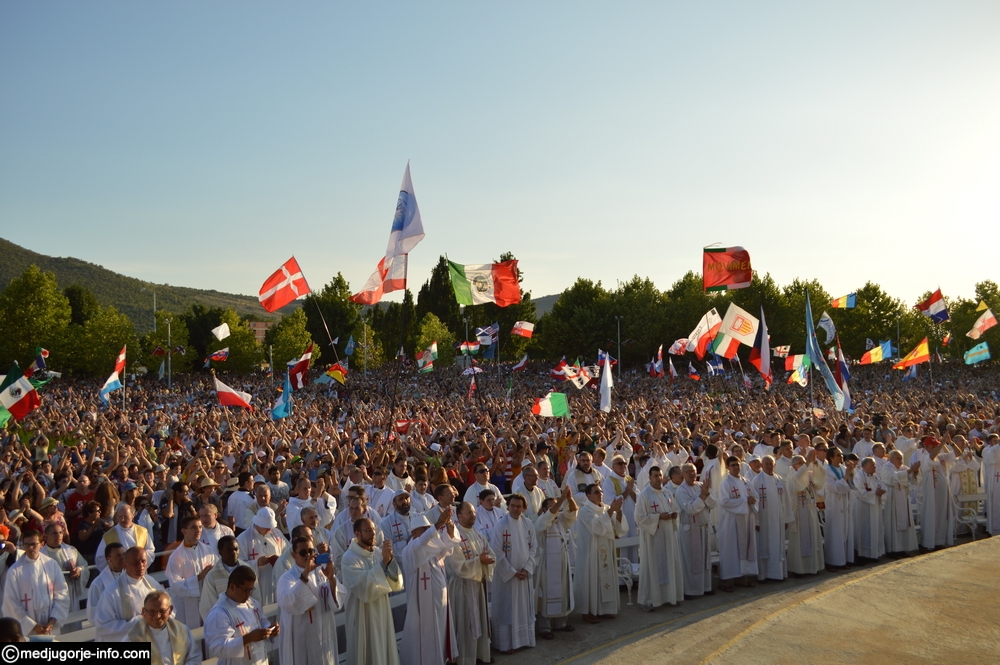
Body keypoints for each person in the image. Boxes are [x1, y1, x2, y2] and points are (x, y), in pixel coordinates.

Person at [398, 511, 460, 665]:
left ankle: (442, 659)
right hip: (423, 605)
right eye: (424, 529)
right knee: (426, 633)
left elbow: (447, 545)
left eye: (428, 528)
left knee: (441, 629)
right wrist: (437, 525)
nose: (429, 532)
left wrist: (449, 526)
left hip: (440, 600)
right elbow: (421, 543)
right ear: (414, 532)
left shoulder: (432, 549)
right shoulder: (410, 550)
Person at [340, 517, 403, 665]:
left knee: (383, 648)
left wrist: (390, 561)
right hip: (362, 614)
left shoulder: (378, 552)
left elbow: (396, 583)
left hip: (381, 610)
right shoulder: (349, 558)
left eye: (374, 529)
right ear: (357, 533)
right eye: (368, 530)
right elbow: (362, 586)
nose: (373, 533)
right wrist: (384, 563)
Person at [276, 535, 340, 665]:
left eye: (311, 551)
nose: (308, 555)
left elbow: (336, 601)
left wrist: (331, 578)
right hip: (301, 636)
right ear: (294, 555)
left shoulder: (322, 572)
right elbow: (288, 603)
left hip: (324, 631)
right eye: (303, 552)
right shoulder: (287, 577)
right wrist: (305, 574)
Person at [447, 501, 495, 665]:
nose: (472, 515)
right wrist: (479, 561)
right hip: (463, 587)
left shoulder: (479, 535)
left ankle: (480, 655)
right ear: (459, 516)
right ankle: (465, 659)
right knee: (465, 624)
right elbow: (456, 566)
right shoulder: (454, 537)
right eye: (468, 513)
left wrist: (488, 560)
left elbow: (491, 553)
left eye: (473, 512)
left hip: (478, 587)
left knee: (479, 621)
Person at [489, 493, 536, 654]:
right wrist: (512, 572)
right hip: (507, 578)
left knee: (523, 609)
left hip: (524, 575)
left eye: (519, 506)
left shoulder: (528, 523)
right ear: (508, 506)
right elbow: (496, 551)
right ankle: (506, 644)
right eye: (512, 506)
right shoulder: (501, 525)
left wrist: (526, 569)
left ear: (524, 508)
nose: (515, 509)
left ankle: (524, 639)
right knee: (506, 609)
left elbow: (534, 548)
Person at [204, 565, 279, 665]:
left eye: (251, 590)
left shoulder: (252, 603)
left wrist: (270, 629)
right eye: (246, 590)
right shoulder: (219, 613)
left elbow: (262, 621)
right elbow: (219, 648)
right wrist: (249, 638)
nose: (249, 594)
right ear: (232, 587)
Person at [1, 529, 69, 637]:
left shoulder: (51, 564)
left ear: (41, 544)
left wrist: (53, 620)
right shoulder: (15, 570)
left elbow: (62, 592)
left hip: (50, 621)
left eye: (34, 544)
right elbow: (11, 601)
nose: (30, 548)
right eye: (26, 545)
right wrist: (32, 625)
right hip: (28, 627)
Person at [575, 484, 626, 623]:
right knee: (591, 579)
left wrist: (618, 512)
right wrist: (611, 511)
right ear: (588, 495)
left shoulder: (606, 508)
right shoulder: (585, 511)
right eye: (597, 492)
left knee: (605, 577)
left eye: (601, 491)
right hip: (591, 552)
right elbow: (595, 526)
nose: (600, 494)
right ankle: (588, 611)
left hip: (605, 550)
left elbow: (618, 527)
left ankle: (605, 609)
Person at [634, 465, 683, 610]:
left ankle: (669, 596)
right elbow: (639, 517)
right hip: (653, 538)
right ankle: (649, 600)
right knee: (653, 566)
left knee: (669, 564)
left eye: (660, 475)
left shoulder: (667, 493)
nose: (658, 478)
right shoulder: (644, 495)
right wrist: (659, 517)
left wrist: (674, 515)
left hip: (668, 536)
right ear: (649, 477)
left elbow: (675, 508)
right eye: (655, 476)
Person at [93, 546, 165, 641]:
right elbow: (103, 627)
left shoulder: (152, 583)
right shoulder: (112, 592)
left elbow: (170, 608)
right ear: (125, 565)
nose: (140, 566)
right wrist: (139, 621)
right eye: (135, 563)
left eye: (143, 561)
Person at [533, 486, 576, 638]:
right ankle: (545, 627)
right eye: (552, 506)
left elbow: (573, 512)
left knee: (563, 591)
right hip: (548, 564)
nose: (556, 509)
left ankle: (561, 623)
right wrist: (561, 499)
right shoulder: (541, 521)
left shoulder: (561, 521)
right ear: (544, 509)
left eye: (557, 506)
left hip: (562, 561)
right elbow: (549, 516)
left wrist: (569, 499)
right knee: (546, 595)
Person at [166, 515, 217, 629]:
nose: (198, 530)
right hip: (188, 605)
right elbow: (175, 585)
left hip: (207, 599)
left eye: (200, 527)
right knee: (192, 635)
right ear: (184, 531)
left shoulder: (208, 550)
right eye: (193, 527)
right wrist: (198, 578)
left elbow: (217, 572)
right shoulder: (176, 556)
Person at [125, 590, 201, 665]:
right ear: (144, 611)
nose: (157, 616)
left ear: (170, 610)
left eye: (162, 611)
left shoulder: (182, 630)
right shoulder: (133, 637)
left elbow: (193, 658)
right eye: (152, 611)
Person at [717, 456, 759, 591]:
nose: (736, 467)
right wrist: (745, 501)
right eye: (733, 465)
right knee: (731, 551)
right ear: (727, 467)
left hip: (746, 520)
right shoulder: (726, 484)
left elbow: (755, 497)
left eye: (738, 464)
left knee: (745, 548)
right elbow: (724, 502)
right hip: (731, 522)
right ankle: (727, 581)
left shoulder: (747, 482)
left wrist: (752, 500)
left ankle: (742, 578)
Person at [674, 463, 715, 597]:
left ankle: (705, 587)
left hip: (703, 528)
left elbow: (713, 504)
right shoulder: (681, 490)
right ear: (683, 474)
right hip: (690, 531)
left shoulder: (701, 486)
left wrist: (706, 494)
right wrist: (702, 496)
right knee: (691, 561)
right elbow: (690, 509)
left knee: (704, 559)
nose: (692, 474)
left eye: (694, 471)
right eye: (688, 471)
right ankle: (691, 590)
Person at [750, 456, 792, 582]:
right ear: (762, 465)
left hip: (778, 519)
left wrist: (785, 519)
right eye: (766, 464)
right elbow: (754, 503)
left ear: (774, 465)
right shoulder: (757, 480)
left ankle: (778, 573)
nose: (768, 466)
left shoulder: (779, 480)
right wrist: (756, 521)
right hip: (764, 520)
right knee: (764, 546)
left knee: (777, 545)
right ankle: (764, 574)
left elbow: (785, 500)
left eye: (771, 464)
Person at [200, 536, 262, 621]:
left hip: (247, 619)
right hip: (225, 620)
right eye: (229, 550)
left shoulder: (248, 570)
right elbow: (209, 605)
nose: (234, 553)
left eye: (236, 549)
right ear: (220, 551)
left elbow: (256, 598)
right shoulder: (212, 576)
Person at [235, 507, 287, 605]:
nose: (269, 529)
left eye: (270, 526)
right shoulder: (244, 538)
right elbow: (238, 563)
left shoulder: (276, 533)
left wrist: (279, 559)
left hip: (276, 578)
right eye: (266, 526)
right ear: (258, 524)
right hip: (258, 581)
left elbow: (287, 551)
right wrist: (256, 563)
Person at [785, 453, 826, 575]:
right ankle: (799, 569)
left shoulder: (808, 475)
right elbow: (798, 481)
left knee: (813, 538)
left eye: (804, 462)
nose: (804, 465)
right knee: (800, 542)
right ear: (794, 465)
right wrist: (807, 462)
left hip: (810, 510)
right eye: (801, 463)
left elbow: (820, 479)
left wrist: (815, 463)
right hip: (799, 512)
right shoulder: (792, 476)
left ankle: (813, 567)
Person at [915, 437, 955, 551]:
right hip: (931, 492)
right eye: (935, 446)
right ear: (927, 447)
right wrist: (942, 443)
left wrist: (950, 442)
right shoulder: (924, 457)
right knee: (931, 515)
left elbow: (957, 454)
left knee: (941, 515)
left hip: (942, 491)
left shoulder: (941, 457)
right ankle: (927, 543)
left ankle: (939, 541)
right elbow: (931, 456)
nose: (938, 447)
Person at [41, 523, 89, 613]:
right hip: (52, 594)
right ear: (46, 537)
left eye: (60, 532)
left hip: (70, 591)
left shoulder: (71, 550)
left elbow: (84, 565)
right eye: (54, 533)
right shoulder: (41, 555)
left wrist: (78, 571)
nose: (58, 536)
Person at [879, 450, 918, 555]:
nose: (901, 461)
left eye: (901, 458)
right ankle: (893, 549)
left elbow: (911, 479)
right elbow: (894, 478)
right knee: (893, 523)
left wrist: (915, 471)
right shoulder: (886, 467)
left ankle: (903, 547)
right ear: (891, 459)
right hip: (892, 496)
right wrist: (910, 470)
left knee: (905, 521)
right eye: (898, 458)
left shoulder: (903, 467)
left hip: (903, 496)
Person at [95, 504, 154, 570]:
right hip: (119, 573)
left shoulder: (142, 532)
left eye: (125, 517)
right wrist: (114, 567)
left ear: (132, 515)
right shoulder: (109, 536)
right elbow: (100, 558)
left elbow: (150, 550)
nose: (122, 519)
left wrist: (139, 560)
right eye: (120, 517)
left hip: (138, 570)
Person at [854, 457, 886, 561]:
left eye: (875, 464)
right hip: (864, 508)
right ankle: (863, 554)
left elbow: (882, 486)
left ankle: (874, 553)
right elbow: (860, 492)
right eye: (872, 465)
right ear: (864, 467)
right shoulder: (858, 477)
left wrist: (882, 492)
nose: (875, 467)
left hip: (875, 506)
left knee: (875, 529)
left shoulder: (875, 476)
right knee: (865, 530)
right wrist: (874, 493)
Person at [88, 542, 125, 623]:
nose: (122, 558)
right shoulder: (98, 583)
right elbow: (93, 614)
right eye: (118, 555)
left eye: (124, 554)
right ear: (108, 559)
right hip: (109, 626)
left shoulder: (130, 577)